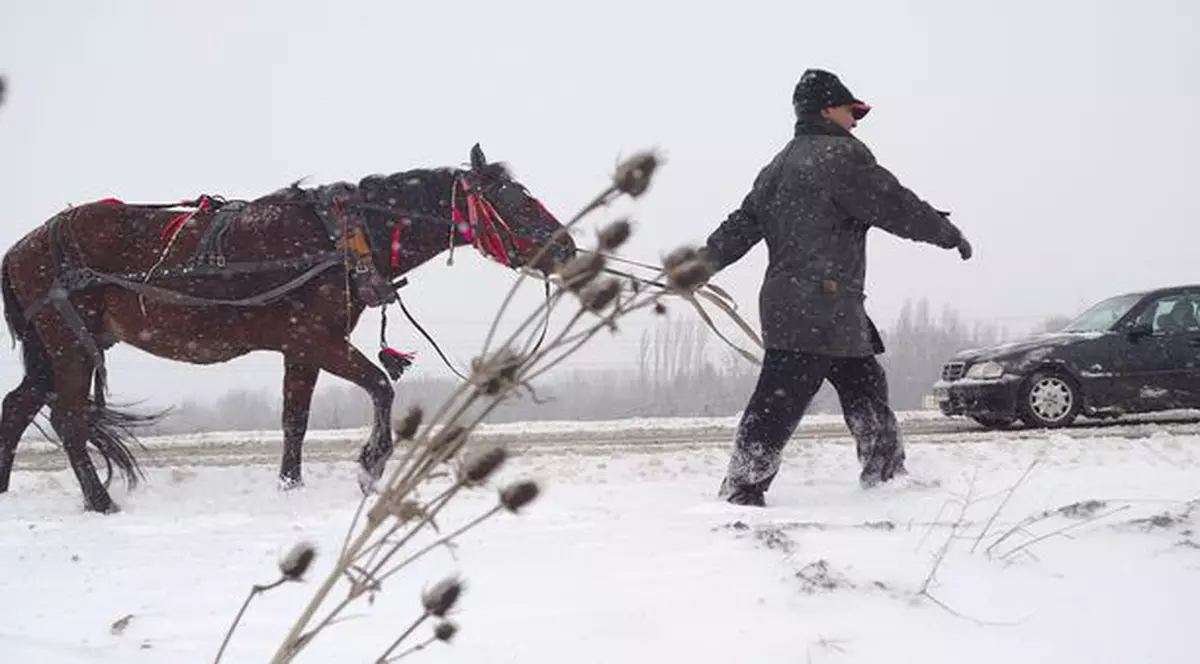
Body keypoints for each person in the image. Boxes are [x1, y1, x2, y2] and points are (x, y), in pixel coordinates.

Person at [701, 68, 973, 506]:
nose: (856, 121)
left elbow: (742, 224)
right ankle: (741, 489)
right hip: (819, 304)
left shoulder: (780, 164)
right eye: (852, 111)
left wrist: (702, 263)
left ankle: (886, 475)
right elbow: (894, 204)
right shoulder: (840, 157)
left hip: (817, 304)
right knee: (778, 400)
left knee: (864, 385)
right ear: (827, 109)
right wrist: (945, 232)